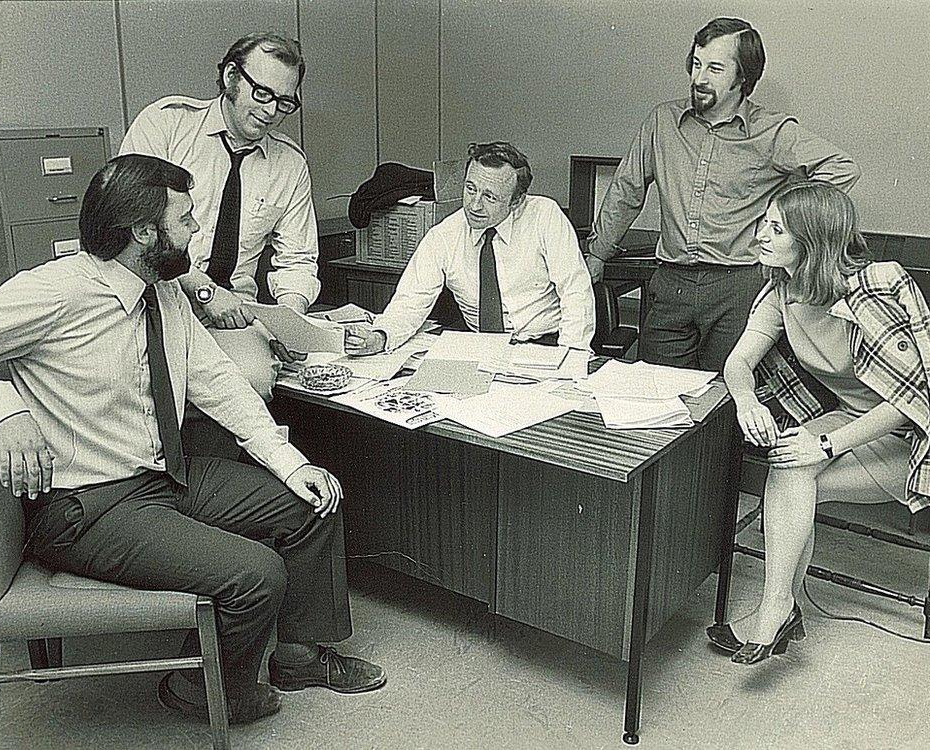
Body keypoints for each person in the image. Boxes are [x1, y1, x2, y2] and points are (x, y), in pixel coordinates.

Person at [0, 154, 385, 723]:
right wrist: (1, 410)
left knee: (312, 501)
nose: (196, 232)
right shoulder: (58, 292)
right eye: (185, 221)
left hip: (164, 476)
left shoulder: (165, 292)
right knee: (255, 575)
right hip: (88, 506)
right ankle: (202, 688)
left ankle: (300, 655)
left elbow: (220, 384)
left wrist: (290, 463)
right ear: (144, 232)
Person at [707, 182, 930, 664]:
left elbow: (908, 400)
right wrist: (747, 402)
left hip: (913, 435)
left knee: (794, 473)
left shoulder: (877, 285)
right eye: (764, 220)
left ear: (812, 239)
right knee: (788, 466)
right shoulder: (782, 290)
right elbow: (738, 362)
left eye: (776, 227)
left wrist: (826, 446)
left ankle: (776, 611)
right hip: (854, 420)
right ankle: (779, 606)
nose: (761, 233)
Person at [585, 17, 860, 371]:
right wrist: (597, 254)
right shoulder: (662, 121)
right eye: (696, 64)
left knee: (725, 402)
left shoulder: (773, 131)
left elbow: (842, 168)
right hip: (671, 285)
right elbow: (626, 190)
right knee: (653, 394)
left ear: (743, 78)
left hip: (741, 287)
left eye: (715, 68)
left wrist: (787, 217)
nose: (699, 78)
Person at [120, 32, 319, 398]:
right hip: (154, 301)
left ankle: (218, 458)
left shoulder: (289, 164)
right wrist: (205, 290)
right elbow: (128, 235)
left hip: (235, 313)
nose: (271, 111)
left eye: (285, 102)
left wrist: (289, 321)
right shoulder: (167, 126)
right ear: (231, 77)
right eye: (262, 93)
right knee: (135, 384)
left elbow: (298, 259)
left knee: (254, 379)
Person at [345, 141, 595, 355]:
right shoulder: (445, 235)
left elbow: (576, 291)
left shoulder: (544, 216)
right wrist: (379, 337)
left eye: (490, 197)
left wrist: (571, 358)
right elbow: (411, 300)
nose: (474, 205)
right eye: (470, 189)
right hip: (478, 348)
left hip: (545, 346)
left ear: (517, 200)